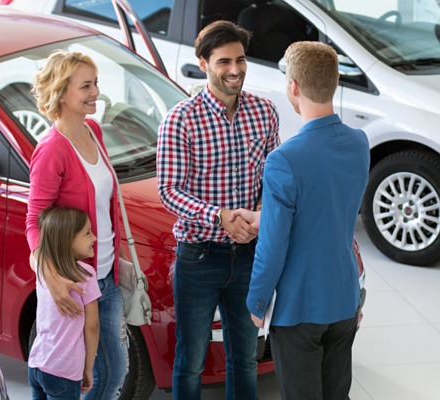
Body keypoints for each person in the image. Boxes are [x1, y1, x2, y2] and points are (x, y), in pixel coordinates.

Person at [236, 41, 370, 400]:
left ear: (292, 86)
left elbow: (274, 244)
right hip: (344, 297)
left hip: (299, 308)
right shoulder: (359, 143)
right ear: (334, 82)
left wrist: (257, 301)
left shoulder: (284, 159)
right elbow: (327, 206)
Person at [156, 20, 279, 400]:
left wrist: (255, 219)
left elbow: (274, 180)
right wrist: (222, 217)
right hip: (199, 256)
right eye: (224, 61)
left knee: (245, 357)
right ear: (203, 61)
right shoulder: (181, 120)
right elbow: (169, 191)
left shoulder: (264, 112)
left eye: (240, 60)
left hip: (250, 255)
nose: (235, 70)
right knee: (190, 360)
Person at [25, 50, 127, 399]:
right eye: (86, 86)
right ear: (61, 92)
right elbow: (34, 220)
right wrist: (51, 276)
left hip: (106, 273)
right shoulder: (52, 149)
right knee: (95, 373)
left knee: (108, 373)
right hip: (76, 281)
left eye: (95, 83)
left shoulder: (94, 129)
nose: (96, 92)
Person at [28, 206, 101, 399]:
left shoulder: (43, 271)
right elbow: (92, 327)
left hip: (36, 364)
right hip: (64, 370)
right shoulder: (86, 275)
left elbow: (34, 256)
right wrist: (88, 368)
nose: (94, 238)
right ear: (67, 241)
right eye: (87, 233)